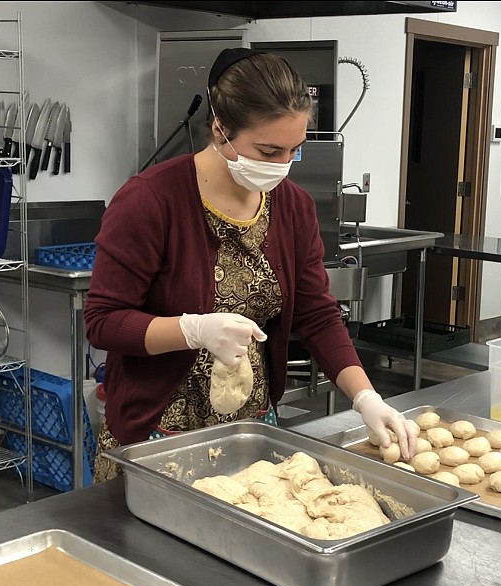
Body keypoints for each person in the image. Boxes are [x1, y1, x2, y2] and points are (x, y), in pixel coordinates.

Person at [84, 48, 415, 480]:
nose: (281, 167)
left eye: (293, 151)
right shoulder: (151, 200)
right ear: (220, 129)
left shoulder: (293, 207)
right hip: (155, 434)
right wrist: (192, 329)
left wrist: (365, 396)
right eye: (268, 150)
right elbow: (104, 321)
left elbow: (317, 314)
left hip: (251, 429)